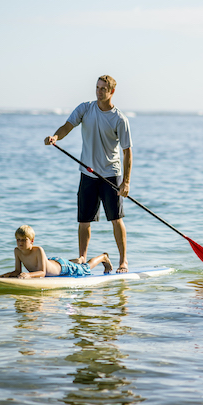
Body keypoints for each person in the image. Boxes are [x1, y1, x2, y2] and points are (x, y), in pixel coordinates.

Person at [45, 75, 133, 273]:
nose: (99, 92)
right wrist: (55, 137)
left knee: (116, 219)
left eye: (103, 89)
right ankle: (83, 258)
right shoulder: (85, 109)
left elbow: (127, 152)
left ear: (112, 92)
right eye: (97, 88)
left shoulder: (120, 119)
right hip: (88, 173)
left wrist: (126, 182)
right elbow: (67, 126)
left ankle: (123, 261)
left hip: (111, 175)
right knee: (84, 221)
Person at [0, 225, 112, 278]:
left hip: (63, 266)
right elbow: (18, 271)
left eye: (24, 240)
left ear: (32, 241)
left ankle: (103, 257)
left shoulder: (38, 250)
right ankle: (78, 260)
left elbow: (42, 273)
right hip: (51, 261)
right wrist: (5, 275)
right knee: (78, 264)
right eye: (18, 240)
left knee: (85, 268)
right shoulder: (17, 251)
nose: (20, 243)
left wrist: (28, 275)